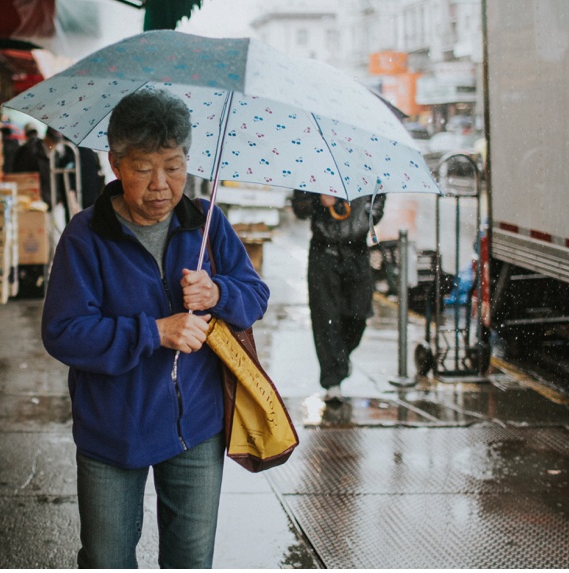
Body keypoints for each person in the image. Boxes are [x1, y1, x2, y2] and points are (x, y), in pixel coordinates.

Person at [41, 88, 270, 568]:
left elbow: (255, 297)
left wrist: (219, 293)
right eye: (144, 168)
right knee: (108, 560)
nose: (162, 184)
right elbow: (63, 331)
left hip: (197, 429)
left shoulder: (206, 222)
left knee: (190, 561)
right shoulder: (86, 236)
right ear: (116, 163)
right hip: (112, 431)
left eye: (174, 165)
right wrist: (155, 332)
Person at [291, 190, 387, 400]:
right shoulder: (315, 167)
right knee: (325, 318)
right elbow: (299, 207)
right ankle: (332, 381)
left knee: (359, 315)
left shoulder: (367, 169)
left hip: (357, 252)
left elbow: (378, 202)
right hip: (323, 253)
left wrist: (362, 212)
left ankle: (341, 359)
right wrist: (319, 201)